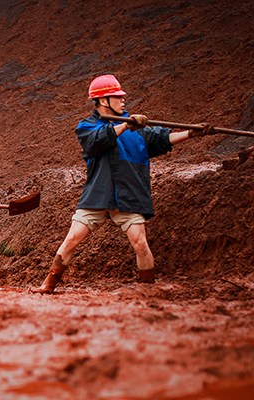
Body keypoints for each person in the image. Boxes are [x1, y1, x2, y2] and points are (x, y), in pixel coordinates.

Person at [33, 74, 215, 294]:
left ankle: (148, 288)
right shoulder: (87, 127)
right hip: (98, 195)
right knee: (71, 239)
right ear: (102, 101)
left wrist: (191, 133)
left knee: (140, 243)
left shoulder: (136, 129)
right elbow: (98, 140)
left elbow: (162, 139)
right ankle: (48, 285)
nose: (123, 100)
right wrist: (124, 125)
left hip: (129, 195)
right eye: (117, 97)